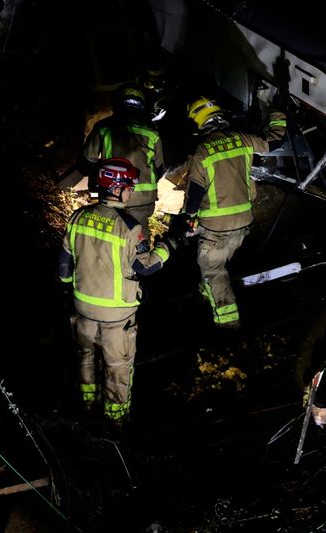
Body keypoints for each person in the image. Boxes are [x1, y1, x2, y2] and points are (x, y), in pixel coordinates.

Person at [58, 158, 170, 425]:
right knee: (117, 368)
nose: (132, 189)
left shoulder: (78, 217)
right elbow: (144, 268)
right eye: (129, 184)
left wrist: (68, 294)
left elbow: (64, 266)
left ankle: (87, 407)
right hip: (117, 317)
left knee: (85, 358)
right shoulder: (130, 227)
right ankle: (116, 424)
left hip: (82, 309)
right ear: (117, 188)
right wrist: (168, 247)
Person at [165, 96, 286, 329]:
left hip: (216, 227)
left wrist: (188, 218)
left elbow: (196, 194)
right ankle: (208, 291)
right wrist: (279, 113)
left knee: (213, 269)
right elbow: (274, 141)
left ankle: (228, 323)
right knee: (218, 265)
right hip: (243, 222)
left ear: (198, 123)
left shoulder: (203, 151)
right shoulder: (241, 139)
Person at [81, 82, 165, 241]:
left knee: (109, 240)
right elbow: (159, 171)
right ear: (141, 106)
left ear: (117, 104)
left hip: (111, 195)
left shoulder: (104, 127)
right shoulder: (152, 132)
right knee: (138, 243)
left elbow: (86, 165)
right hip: (144, 201)